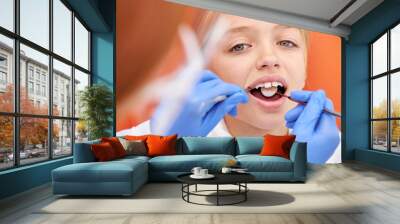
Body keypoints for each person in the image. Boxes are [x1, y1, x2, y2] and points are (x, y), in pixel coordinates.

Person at [117, 12, 341, 164]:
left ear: (304, 66)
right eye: (239, 46)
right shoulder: (161, 130)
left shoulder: (333, 148)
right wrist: (165, 148)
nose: (269, 58)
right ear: (205, 70)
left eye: (286, 42)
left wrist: (314, 169)